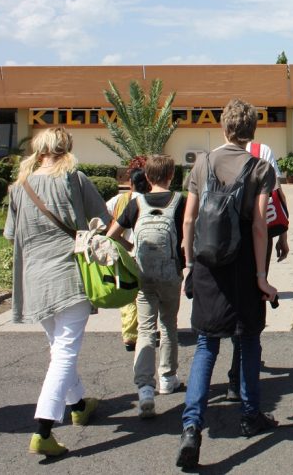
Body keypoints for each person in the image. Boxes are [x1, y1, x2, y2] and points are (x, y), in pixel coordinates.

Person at [177, 99, 279, 469]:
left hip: (207, 268)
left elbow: (188, 220)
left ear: (224, 128)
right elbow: (258, 224)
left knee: (206, 344)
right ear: (253, 131)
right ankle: (251, 414)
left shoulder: (200, 164)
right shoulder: (260, 168)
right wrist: (261, 276)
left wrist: (189, 263)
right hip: (242, 268)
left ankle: (191, 426)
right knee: (248, 338)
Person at [4, 127, 110, 457]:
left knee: (57, 347)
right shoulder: (75, 180)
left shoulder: (20, 186)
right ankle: (44, 429)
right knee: (65, 351)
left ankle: (78, 403)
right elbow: (103, 221)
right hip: (70, 277)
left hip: (34, 280)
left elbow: (11, 235)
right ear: (66, 148)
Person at [107, 155, 187, 419]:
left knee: (145, 329)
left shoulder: (136, 203)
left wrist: (132, 251)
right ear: (171, 175)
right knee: (168, 325)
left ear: (147, 177)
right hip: (170, 273)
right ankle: (168, 377)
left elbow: (112, 236)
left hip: (143, 274)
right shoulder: (180, 202)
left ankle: (144, 389)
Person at [224, 135, 290, 403]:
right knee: (253, 302)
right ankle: (238, 376)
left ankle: (236, 372)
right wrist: (283, 235)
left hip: (224, 240)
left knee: (229, 304)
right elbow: (276, 194)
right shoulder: (262, 150)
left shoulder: (213, 155)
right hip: (256, 239)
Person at [106, 168, 150, 352]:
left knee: (128, 293)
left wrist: (121, 241)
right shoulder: (149, 200)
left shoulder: (119, 200)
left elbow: (103, 213)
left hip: (124, 252)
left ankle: (129, 335)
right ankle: (146, 330)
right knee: (146, 294)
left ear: (131, 184)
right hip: (146, 252)